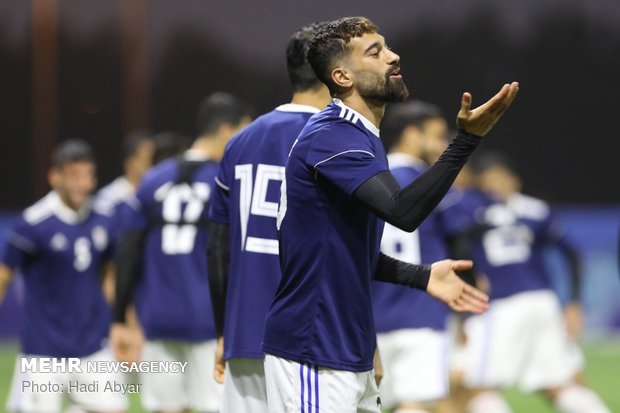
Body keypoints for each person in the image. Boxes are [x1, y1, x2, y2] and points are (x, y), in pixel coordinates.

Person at [261, 16, 518, 412]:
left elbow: (342, 249)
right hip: (314, 348)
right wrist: (466, 141)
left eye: (387, 46)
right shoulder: (332, 134)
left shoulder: (359, 135)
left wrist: (420, 275)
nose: (393, 56)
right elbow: (403, 211)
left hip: (344, 346)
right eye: (375, 52)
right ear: (342, 76)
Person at [206, 22, 332, 413]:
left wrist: (223, 330)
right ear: (333, 72)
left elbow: (217, 248)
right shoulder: (336, 138)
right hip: (310, 335)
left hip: (244, 330)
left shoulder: (240, 142)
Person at [110, 92, 253, 413]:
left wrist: (120, 317)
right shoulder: (227, 180)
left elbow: (129, 253)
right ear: (226, 130)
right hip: (208, 321)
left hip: (159, 319)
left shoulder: (151, 181)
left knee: (166, 408)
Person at [446, 152, 610, 413]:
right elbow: (572, 253)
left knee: (477, 389)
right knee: (562, 385)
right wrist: (574, 301)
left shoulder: (471, 207)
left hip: (500, 305)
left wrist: (471, 284)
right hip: (542, 302)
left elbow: (457, 246)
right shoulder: (534, 209)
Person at [0, 140, 127, 413]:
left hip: (91, 346)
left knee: (114, 408)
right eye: (74, 177)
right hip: (43, 351)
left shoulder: (104, 216)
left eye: (88, 175)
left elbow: (108, 272)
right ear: (55, 177)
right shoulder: (34, 223)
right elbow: (3, 275)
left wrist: (119, 321)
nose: (83, 184)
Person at [372, 101, 461, 413]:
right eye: (436, 136)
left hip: (373, 315)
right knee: (415, 403)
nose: (441, 145)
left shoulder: (368, 180)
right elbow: (460, 239)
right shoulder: (432, 182)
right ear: (411, 135)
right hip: (422, 310)